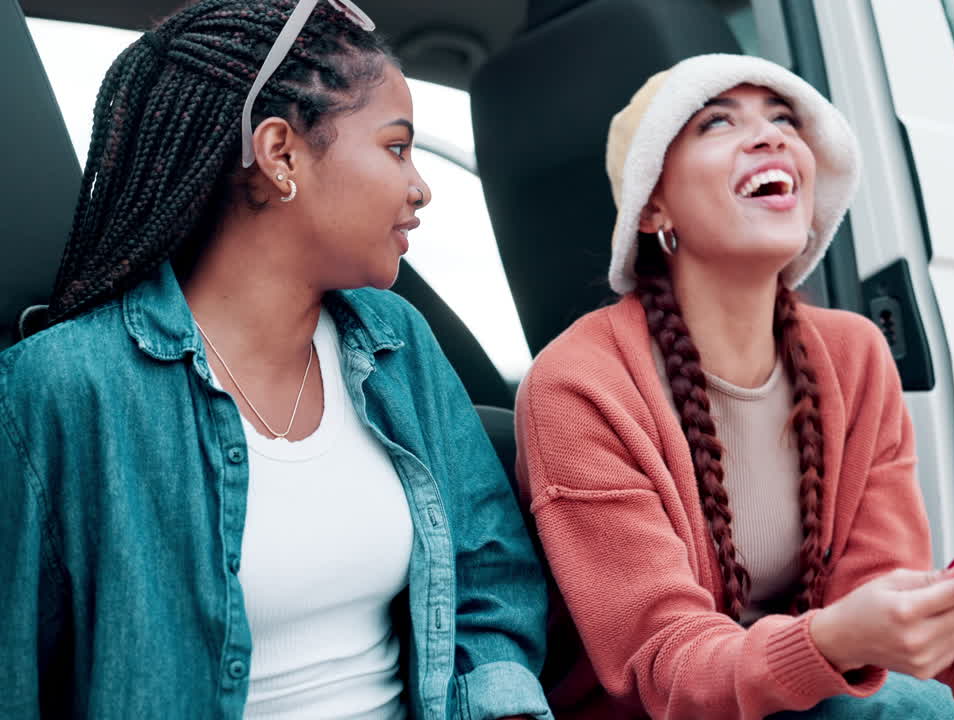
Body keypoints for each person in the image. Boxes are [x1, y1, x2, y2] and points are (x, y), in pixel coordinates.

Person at [0, 1, 547, 718]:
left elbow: (490, 575)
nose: (420, 187)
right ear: (281, 153)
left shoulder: (397, 344)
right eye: (395, 148)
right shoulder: (63, 390)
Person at [514, 53, 954, 720]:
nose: (771, 136)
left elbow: (878, 642)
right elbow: (663, 668)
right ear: (653, 207)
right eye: (717, 122)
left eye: (784, 119)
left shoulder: (855, 357)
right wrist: (836, 640)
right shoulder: (579, 385)